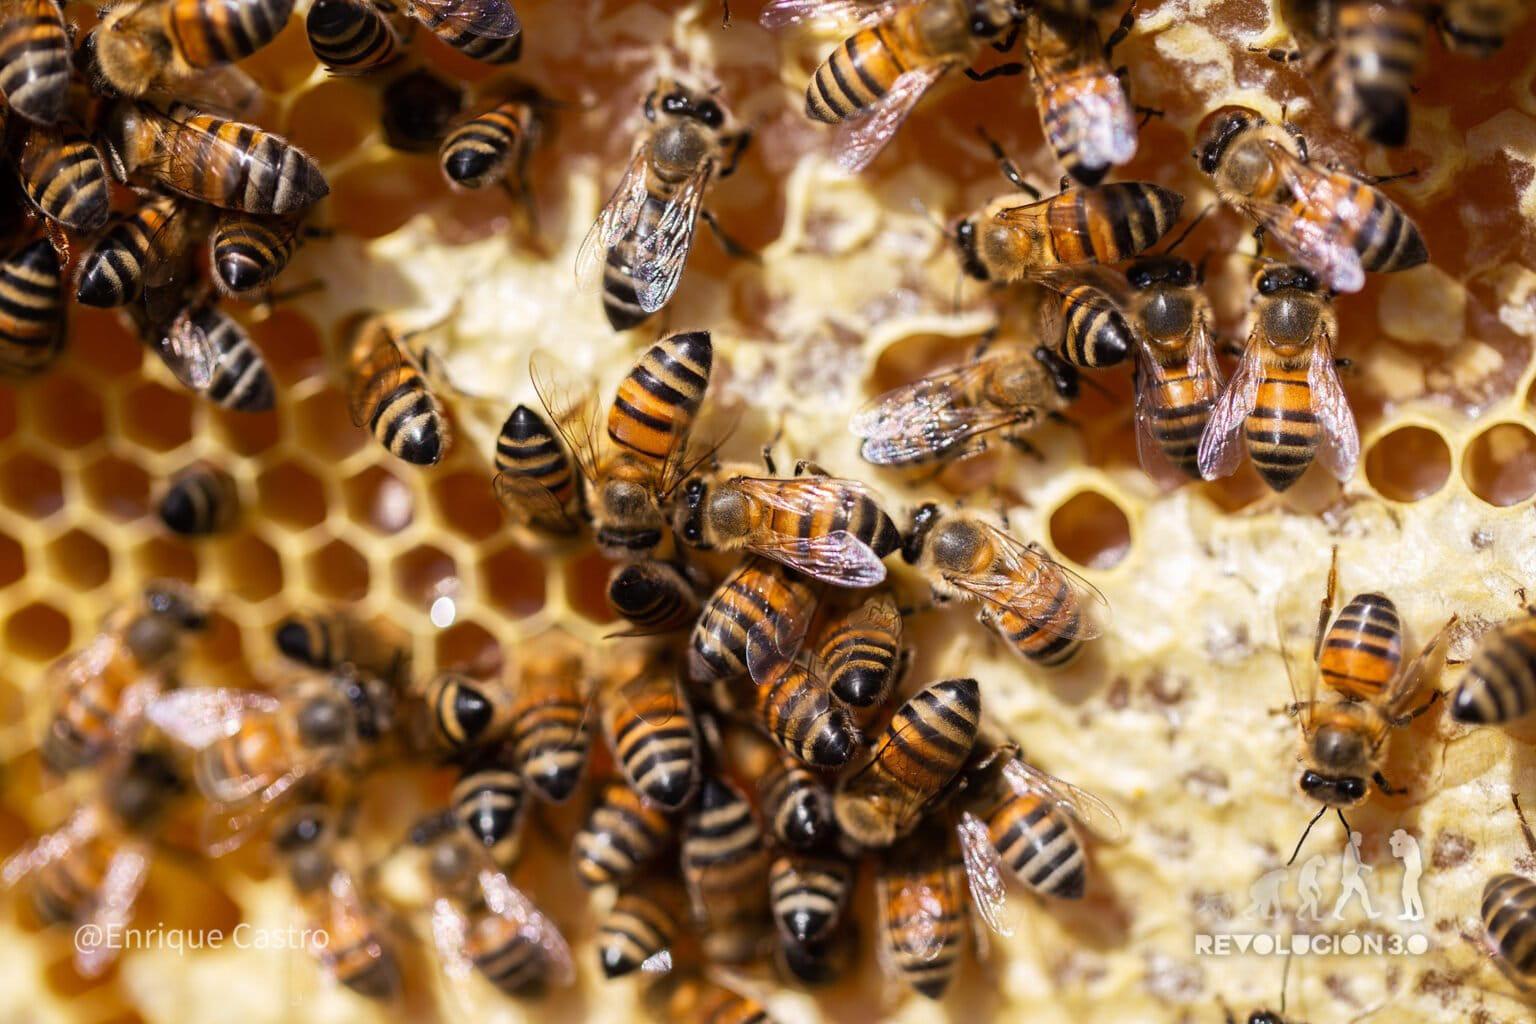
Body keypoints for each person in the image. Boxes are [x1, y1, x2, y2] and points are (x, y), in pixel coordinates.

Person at [1332, 831, 1377, 920]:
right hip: (1350, 877)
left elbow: (1357, 862)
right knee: (1348, 894)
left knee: (1360, 893)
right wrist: (1366, 867)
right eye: (1359, 838)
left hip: (1353, 876)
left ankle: (1370, 913)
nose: (1360, 840)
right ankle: (1336, 912)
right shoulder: (1351, 847)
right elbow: (1353, 862)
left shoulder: (1353, 848)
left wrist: (1366, 867)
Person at [1389, 828, 1424, 921]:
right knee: (1407, 892)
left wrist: (1393, 844)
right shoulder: (1409, 842)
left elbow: (1396, 854)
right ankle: (1410, 913)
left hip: (1413, 870)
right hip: (1412, 869)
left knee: (1411, 892)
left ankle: (1418, 913)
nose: (1396, 839)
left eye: (1397, 837)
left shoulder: (1408, 843)